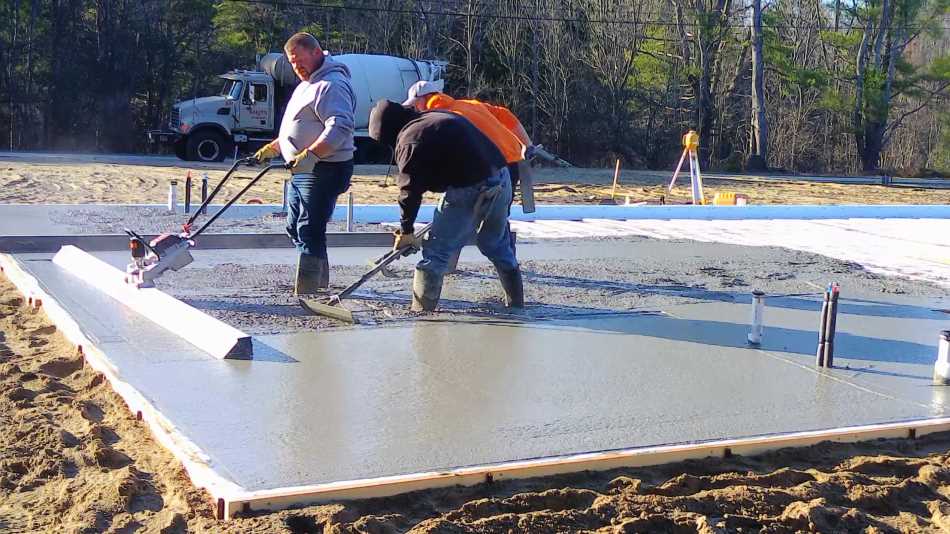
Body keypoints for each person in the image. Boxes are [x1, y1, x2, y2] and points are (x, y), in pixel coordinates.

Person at [367, 99, 523, 312]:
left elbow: (409, 191)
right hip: (501, 177)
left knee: (436, 252)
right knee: (495, 243)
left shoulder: (409, 139)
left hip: (470, 186)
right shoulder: (435, 116)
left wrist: (406, 231)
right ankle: (517, 306)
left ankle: (422, 315)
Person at [254, 32, 356, 295]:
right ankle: (317, 278)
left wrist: (312, 154)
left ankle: (309, 289)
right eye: (292, 63)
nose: (297, 68)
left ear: (316, 52)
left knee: (309, 227)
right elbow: (299, 125)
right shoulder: (306, 85)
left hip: (325, 167)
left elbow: (341, 125)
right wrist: (273, 148)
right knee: (294, 225)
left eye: (300, 62)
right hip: (301, 168)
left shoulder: (332, 85)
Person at [403, 80, 533, 194]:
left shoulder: (439, 119)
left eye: (415, 104)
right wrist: (528, 145)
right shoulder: (469, 104)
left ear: (425, 98)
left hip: (488, 169)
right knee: (499, 216)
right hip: (512, 162)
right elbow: (505, 115)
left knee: (471, 212)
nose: (415, 109)